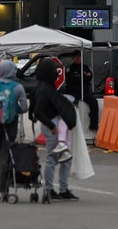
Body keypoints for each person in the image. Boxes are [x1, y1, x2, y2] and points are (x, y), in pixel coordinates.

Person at [33, 57, 79, 202]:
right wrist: (52, 126)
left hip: (55, 125)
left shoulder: (44, 86)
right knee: (53, 158)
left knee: (65, 158)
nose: (57, 73)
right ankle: (49, 190)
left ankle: (63, 189)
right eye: (54, 71)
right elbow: (38, 111)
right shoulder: (44, 89)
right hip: (51, 126)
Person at [0, 60, 28, 201]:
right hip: (10, 125)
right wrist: (14, 110)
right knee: (5, 156)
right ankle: (4, 190)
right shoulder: (18, 88)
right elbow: (25, 107)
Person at [64, 50, 99, 131]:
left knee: (94, 102)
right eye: (76, 57)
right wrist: (81, 77)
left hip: (84, 91)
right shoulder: (69, 68)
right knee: (69, 104)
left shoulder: (86, 67)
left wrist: (80, 77)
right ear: (73, 58)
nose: (78, 58)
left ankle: (93, 125)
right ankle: (69, 126)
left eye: (79, 57)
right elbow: (71, 79)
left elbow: (89, 77)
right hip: (72, 92)